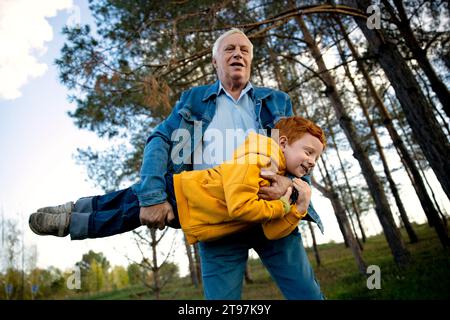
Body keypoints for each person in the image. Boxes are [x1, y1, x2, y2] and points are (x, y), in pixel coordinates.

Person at [29, 28, 324, 299]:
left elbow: (300, 153)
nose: (238, 54)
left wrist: (291, 188)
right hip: (212, 215)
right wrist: (154, 196)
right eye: (230, 49)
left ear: (251, 60)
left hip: (272, 215)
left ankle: (75, 217)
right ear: (214, 61)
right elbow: (160, 140)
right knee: (145, 196)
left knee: (307, 295)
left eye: (245, 50)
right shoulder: (195, 99)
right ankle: (74, 216)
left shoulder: (276, 101)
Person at [176, 116, 325, 244]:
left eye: (316, 158)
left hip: (193, 213)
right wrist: (282, 207)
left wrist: (300, 209)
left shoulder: (278, 179)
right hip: (179, 196)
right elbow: (240, 208)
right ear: (283, 144)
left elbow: (271, 232)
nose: (312, 161)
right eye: (308, 152)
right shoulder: (257, 159)